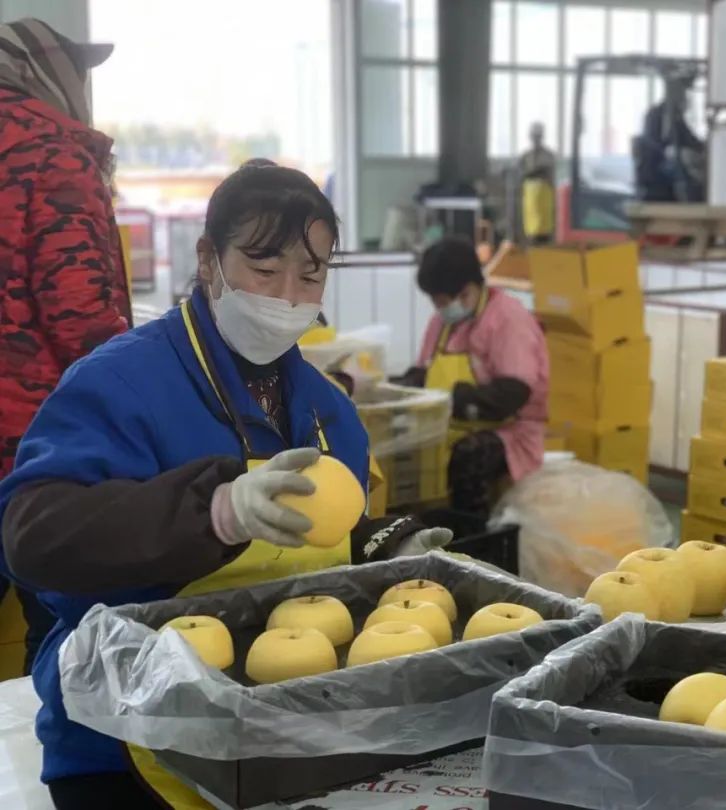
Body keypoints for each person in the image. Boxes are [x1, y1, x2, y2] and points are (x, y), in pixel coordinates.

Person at [0, 161, 447, 809]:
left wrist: (388, 547)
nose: (287, 296)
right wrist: (214, 511)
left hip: (283, 736)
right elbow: (34, 537)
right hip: (124, 740)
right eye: (264, 269)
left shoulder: (327, 411)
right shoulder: (121, 385)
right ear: (209, 259)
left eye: (310, 274)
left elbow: (321, 542)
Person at [0, 19, 131, 675]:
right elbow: (79, 314)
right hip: (31, 444)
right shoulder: (52, 153)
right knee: (61, 625)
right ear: (48, 74)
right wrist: (139, 388)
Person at [399, 238, 548, 515]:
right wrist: (401, 390)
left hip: (510, 432)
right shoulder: (442, 321)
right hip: (451, 425)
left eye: (442, 301)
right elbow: (425, 372)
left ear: (467, 291)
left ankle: (470, 532)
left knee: (470, 455)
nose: (439, 308)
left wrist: (455, 399)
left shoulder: (508, 319)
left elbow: (514, 393)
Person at [635, 76, 705, 203]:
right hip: (656, 167)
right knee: (682, 164)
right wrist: (670, 150)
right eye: (682, 94)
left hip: (667, 165)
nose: (685, 99)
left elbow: (689, 139)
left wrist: (704, 147)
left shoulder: (676, 116)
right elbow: (652, 141)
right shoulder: (656, 114)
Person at [518, 122, 557, 244]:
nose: (536, 139)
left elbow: (552, 176)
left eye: (538, 136)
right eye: (534, 136)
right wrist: (531, 173)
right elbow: (521, 175)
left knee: (545, 231)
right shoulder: (525, 156)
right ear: (530, 137)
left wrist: (540, 173)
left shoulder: (549, 155)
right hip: (530, 201)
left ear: (542, 137)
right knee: (531, 231)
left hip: (544, 199)